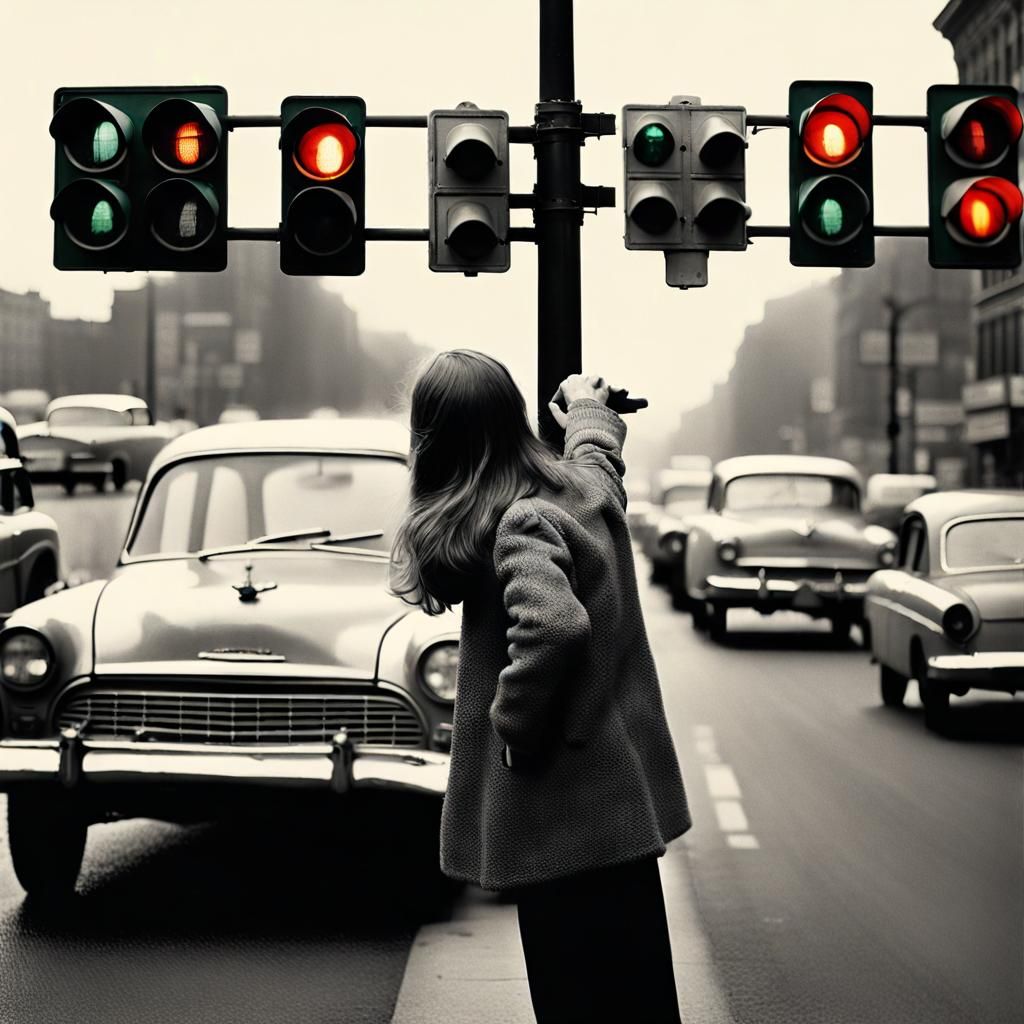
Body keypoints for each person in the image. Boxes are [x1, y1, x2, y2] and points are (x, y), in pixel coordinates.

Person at [391, 349, 691, 1024]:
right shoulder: (572, 492)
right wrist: (588, 408)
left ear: (434, 442)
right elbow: (598, 466)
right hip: (615, 818)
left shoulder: (518, 522)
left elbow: (554, 627)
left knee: (576, 1004)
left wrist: (516, 730)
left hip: (561, 826)